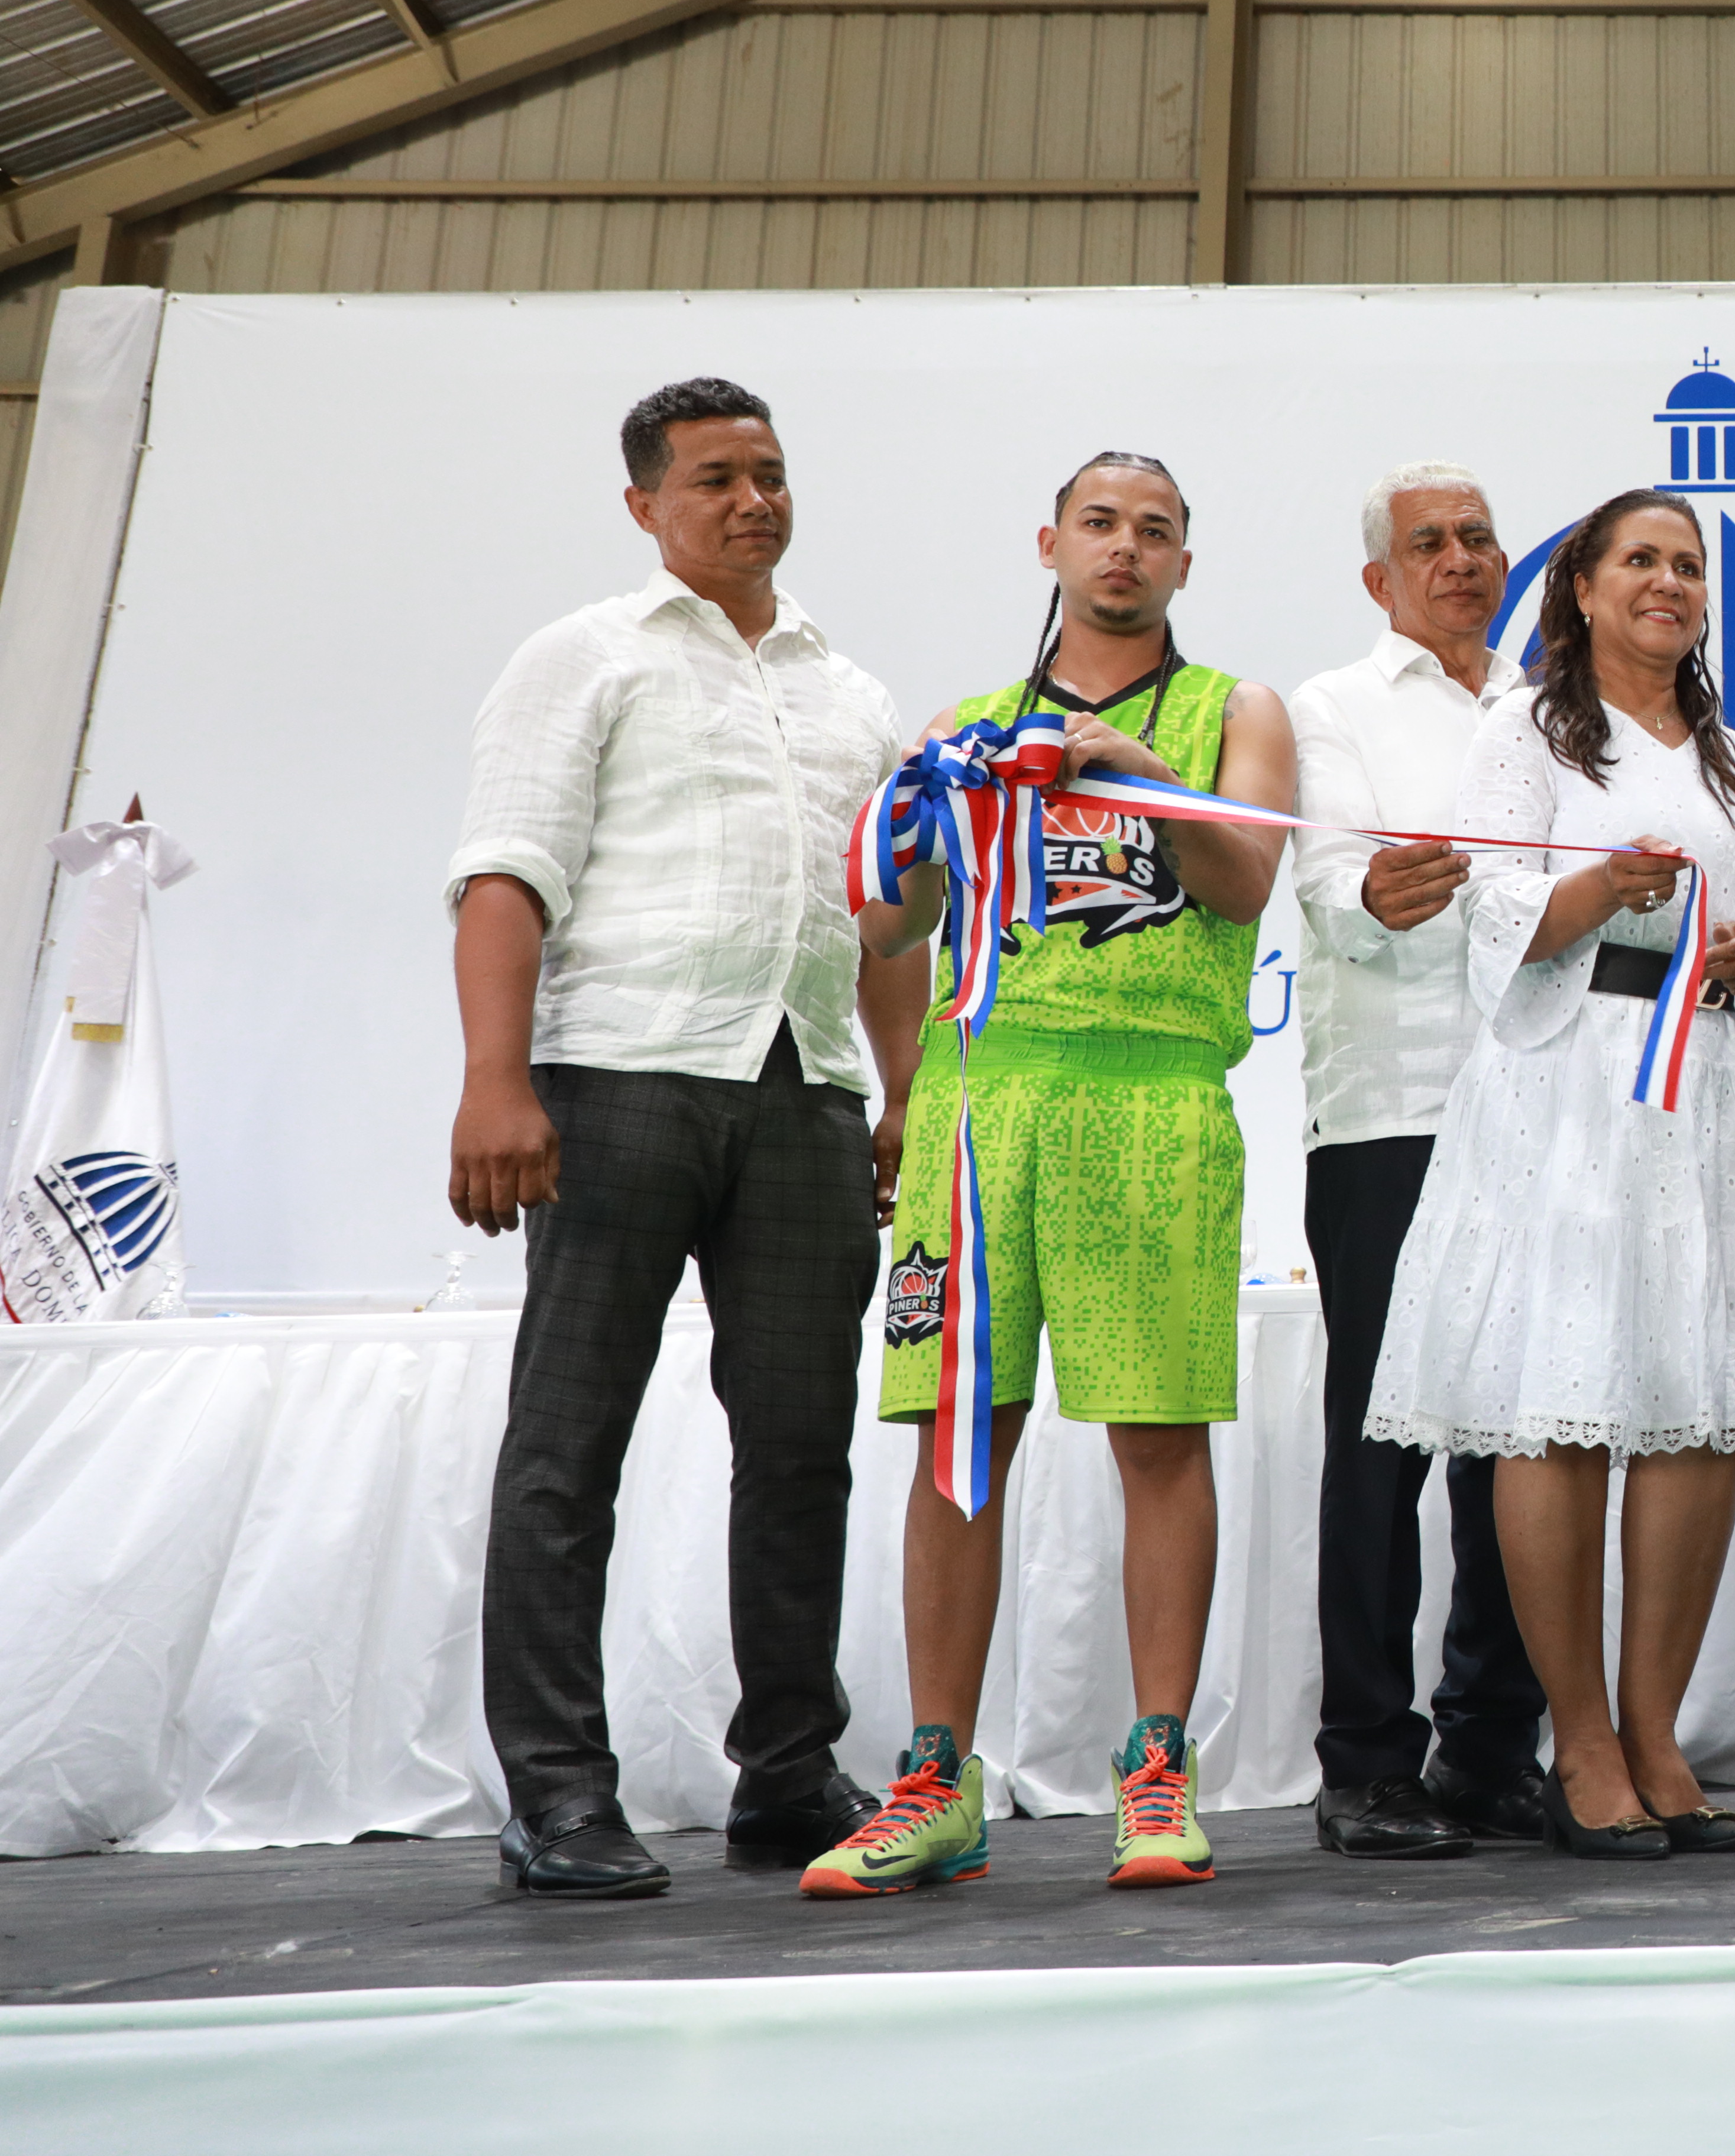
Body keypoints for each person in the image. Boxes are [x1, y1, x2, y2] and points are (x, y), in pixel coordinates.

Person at [801, 454, 1297, 1899]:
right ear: (1050, 544)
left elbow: (1245, 883)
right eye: (1100, 523)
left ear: (1185, 563)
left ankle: (1157, 1771)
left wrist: (1133, 772)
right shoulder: (968, 725)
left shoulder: (1235, 711)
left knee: (1158, 1437)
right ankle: (935, 1780)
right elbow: (889, 928)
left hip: (1150, 1099)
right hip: (979, 1107)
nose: (1125, 547)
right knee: (957, 1438)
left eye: (1156, 529)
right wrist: (921, 811)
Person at [448, 378, 911, 1899]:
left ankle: (788, 1771)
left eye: (769, 472)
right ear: (645, 504)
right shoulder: (585, 655)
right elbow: (506, 874)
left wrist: (902, 1089)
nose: (753, 499)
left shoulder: (852, 693)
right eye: (715, 477)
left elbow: (881, 919)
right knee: (567, 1443)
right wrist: (495, 1083)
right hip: (618, 1077)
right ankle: (558, 1791)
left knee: (803, 1447)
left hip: (805, 1089)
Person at [1361, 492, 1735, 1855]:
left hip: (1706, 1085)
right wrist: (1595, 893)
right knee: (1560, 1404)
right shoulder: (1522, 728)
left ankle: (1655, 1732)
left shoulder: (1732, 754)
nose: (1670, 581)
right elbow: (1497, 914)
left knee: (1700, 1406)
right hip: (1573, 1081)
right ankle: (1579, 1741)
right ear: (1580, 589)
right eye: (1641, 559)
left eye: (1688, 564)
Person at [1291, 465, 1552, 1860]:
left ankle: (1492, 1746)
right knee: (1382, 1443)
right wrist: (1372, 894)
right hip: (1389, 1113)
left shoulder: (1551, 712)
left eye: (1478, 538)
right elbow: (1328, 881)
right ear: (1378, 580)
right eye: (1428, 543)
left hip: (1537, 1110)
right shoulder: (1331, 706)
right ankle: (1365, 1761)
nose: (1459, 559)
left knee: (1519, 1439)